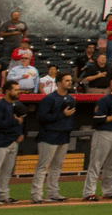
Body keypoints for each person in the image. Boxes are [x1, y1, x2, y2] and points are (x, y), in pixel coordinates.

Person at [81, 81, 112, 201]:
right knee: (96, 163)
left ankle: (109, 191)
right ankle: (89, 193)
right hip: (103, 133)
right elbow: (98, 120)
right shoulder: (104, 100)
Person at [33, 73, 75, 203]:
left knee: (57, 166)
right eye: (66, 80)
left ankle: (52, 193)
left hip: (63, 135)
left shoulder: (71, 99)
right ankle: (36, 195)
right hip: (49, 135)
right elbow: (41, 118)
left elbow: (71, 118)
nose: (69, 82)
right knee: (42, 166)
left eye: (70, 80)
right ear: (58, 82)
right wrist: (62, 115)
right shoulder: (49, 99)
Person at [0, 82, 22, 204]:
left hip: (13, 141)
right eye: (15, 90)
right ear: (8, 91)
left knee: (7, 171)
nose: (18, 92)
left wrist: (21, 134)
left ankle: (2, 196)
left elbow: (22, 121)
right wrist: (14, 122)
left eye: (19, 89)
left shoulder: (18, 104)